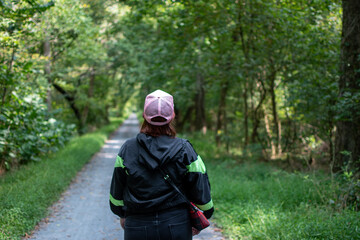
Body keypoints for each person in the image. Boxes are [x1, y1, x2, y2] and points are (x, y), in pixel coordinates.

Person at [109, 89, 214, 240]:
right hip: (177, 224)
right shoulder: (185, 149)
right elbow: (201, 189)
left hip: (137, 225)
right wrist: (206, 213)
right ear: (172, 116)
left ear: (144, 116)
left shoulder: (127, 149)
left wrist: (121, 213)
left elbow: (116, 193)